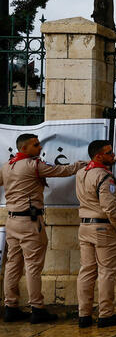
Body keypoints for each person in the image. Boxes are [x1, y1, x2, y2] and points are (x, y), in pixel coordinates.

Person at [1, 133, 87, 323]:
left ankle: (10, 307)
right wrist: (82, 164)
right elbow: (62, 170)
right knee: (32, 266)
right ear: (24, 148)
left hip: (12, 221)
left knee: (12, 265)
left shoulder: (7, 166)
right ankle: (37, 308)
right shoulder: (34, 165)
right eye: (36, 145)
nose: (40, 148)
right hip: (30, 222)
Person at [75, 139, 116, 328]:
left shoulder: (82, 172)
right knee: (106, 272)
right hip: (104, 227)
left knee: (87, 271)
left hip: (85, 226)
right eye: (109, 153)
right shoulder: (105, 177)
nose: (113, 156)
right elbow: (110, 207)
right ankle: (105, 314)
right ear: (99, 156)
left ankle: (84, 314)